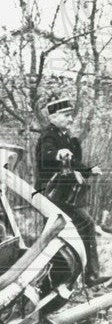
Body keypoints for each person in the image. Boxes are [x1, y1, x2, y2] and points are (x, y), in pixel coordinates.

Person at [35, 97, 107, 286]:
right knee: (84, 224)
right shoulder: (48, 136)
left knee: (54, 236)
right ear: (54, 116)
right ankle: (90, 276)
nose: (70, 119)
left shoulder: (64, 136)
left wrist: (88, 171)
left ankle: (54, 279)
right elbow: (45, 155)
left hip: (60, 197)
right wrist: (57, 154)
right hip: (52, 196)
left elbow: (73, 164)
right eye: (67, 115)